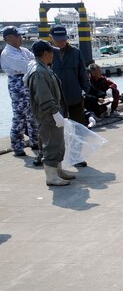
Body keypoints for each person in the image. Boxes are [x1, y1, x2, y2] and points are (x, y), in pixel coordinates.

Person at [24, 41, 74, 186]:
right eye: (51, 52)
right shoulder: (38, 71)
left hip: (53, 112)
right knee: (51, 144)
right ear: (45, 53)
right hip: (48, 114)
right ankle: (51, 176)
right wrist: (54, 112)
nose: (53, 55)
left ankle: (57, 171)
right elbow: (43, 96)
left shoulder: (43, 68)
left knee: (58, 143)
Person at [1, 26, 40, 160]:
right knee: (19, 116)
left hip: (29, 82)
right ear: (9, 38)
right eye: (17, 36)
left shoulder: (23, 50)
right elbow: (27, 66)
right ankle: (17, 145)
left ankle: (35, 141)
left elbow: (36, 62)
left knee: (33, 114)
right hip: (17, 84)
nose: (21, 38)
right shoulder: (7, 53)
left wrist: (32, 63)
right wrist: (31, 64)